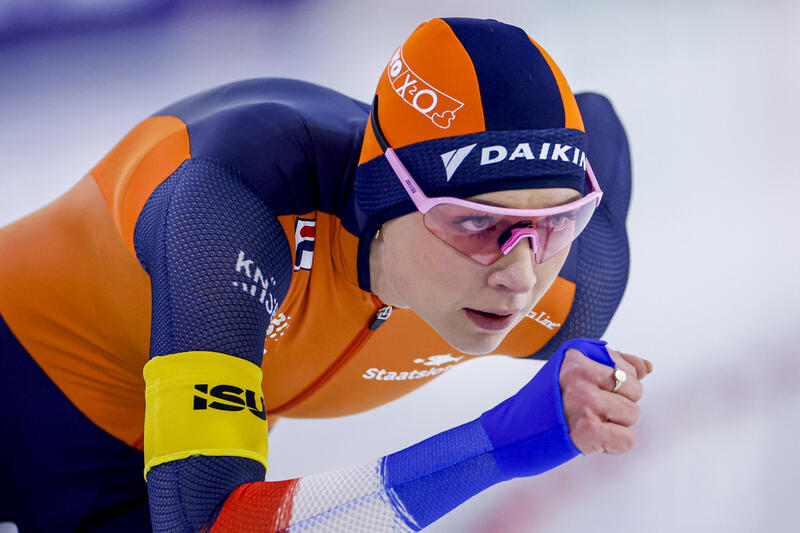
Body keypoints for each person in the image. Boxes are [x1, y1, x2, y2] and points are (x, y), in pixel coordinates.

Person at [0, 16, 649, 533]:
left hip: (128, 475)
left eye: (556, 223)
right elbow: (211, 528)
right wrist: (497, 444)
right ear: (382, 196)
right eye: (474, 225)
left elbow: (604, 124)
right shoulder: (237, 203)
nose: (519, 274)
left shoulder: (572, 287)